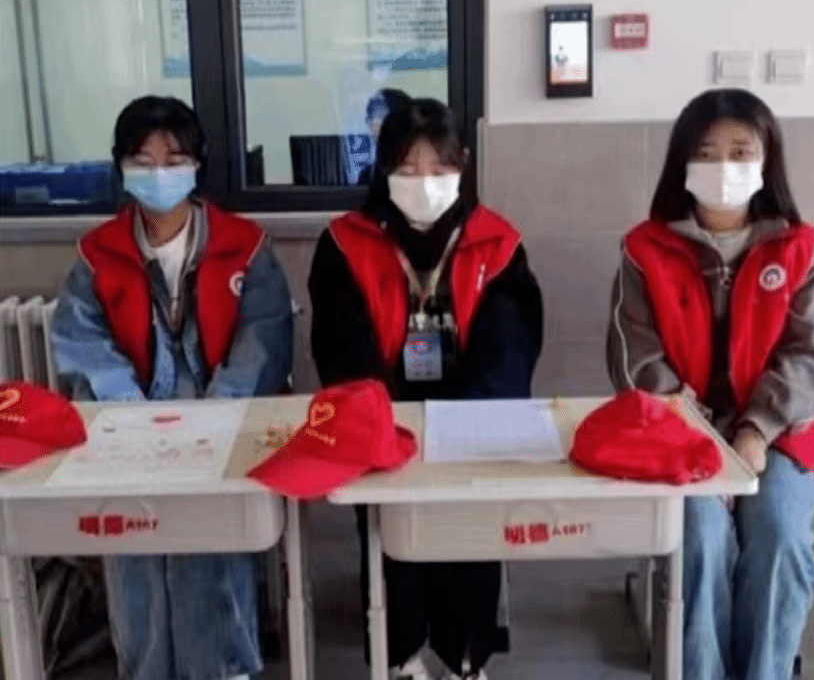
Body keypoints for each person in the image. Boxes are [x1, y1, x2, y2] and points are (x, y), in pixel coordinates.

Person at [51, 96, 294, 680]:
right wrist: (127, 414)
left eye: (174, 159)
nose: (159, 173)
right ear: (121, 166)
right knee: (134, 544)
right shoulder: (97, 255)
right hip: (128, 426)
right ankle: (146, 669)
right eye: (143, 160)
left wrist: (217, 416)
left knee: (212, 544)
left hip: (221, 422)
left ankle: (225, 668)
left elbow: (263, 338)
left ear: (197, 164)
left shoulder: (245, 247)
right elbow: (82, 343)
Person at [309, 97, 543, 680]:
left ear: (463, 166)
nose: (424, 183)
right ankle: (400, 657)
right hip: (383, 424)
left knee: (470, 530)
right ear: (384, 170)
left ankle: (466, 659)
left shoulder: (496, 244)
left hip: (470, 425)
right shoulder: (344, 244)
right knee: (392, 537)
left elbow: (509, 349)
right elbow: (342, 349)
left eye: (440, 168)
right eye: (407, 168)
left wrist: (459, 430)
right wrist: (390, 427)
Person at [606, 88, 814, 680]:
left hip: (781, 431)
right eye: (705, 153)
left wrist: (756, 430)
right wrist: (695, 433)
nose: (722, 167)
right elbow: (635, 356)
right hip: (682, 431)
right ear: (681, 162)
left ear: (766, 160)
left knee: (778, 534)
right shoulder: (644, 249)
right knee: (699, 536)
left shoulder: (804, 249)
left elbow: (813, 355)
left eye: (740, 152)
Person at [358, 88, 411, 184]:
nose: (373, 123)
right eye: (371, 117)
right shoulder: (367, 176)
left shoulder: (422, 173)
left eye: (381, 116)